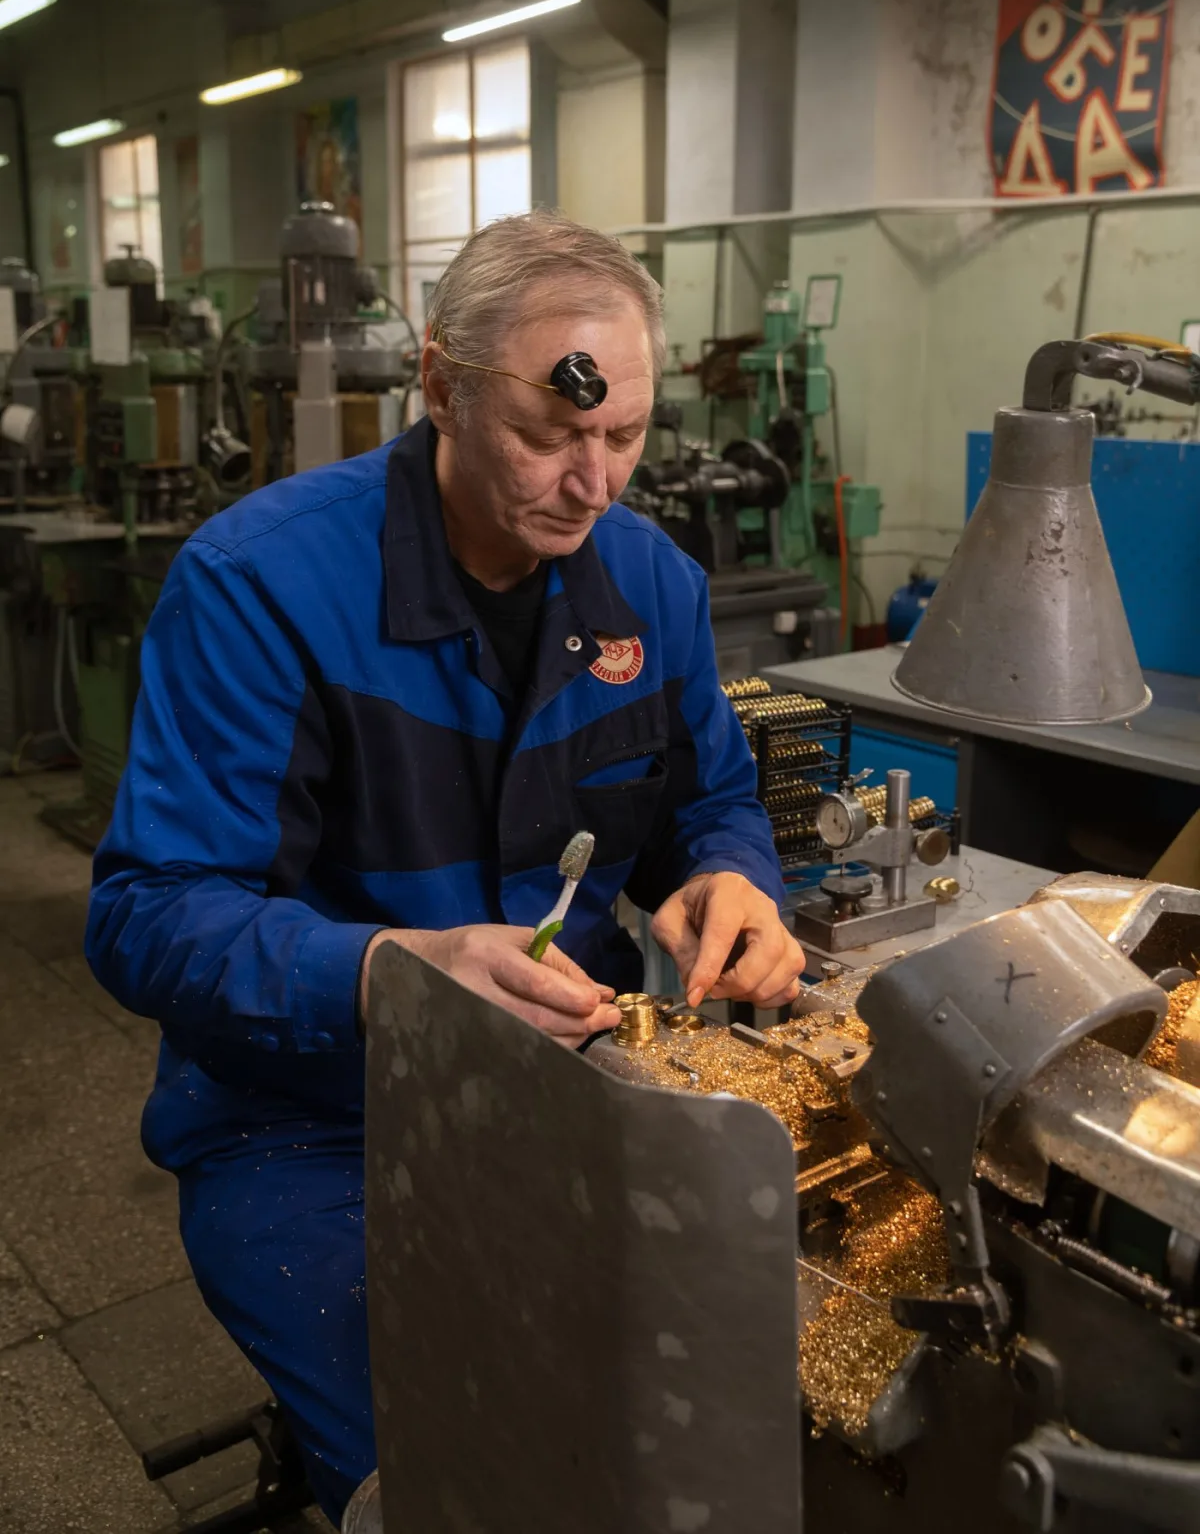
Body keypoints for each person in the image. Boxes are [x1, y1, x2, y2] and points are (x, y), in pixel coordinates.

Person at [86, 210, 804, 1524]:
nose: (593, 483)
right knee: (472, 1468)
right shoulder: (260, 589)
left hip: (574, 1089)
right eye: (549, 433)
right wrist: (390, 972)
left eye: (625, 438)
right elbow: (147, 918)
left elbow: (714, 802)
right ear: (438, 382)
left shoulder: (652, 588)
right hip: (308, 1130)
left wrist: (732, 877)